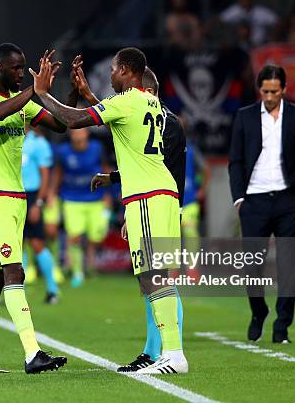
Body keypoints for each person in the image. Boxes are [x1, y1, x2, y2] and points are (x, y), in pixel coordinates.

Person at [31, 47, 188, 374]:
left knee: (152, 277)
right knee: (152, 277)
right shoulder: (154, 105)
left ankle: (173, 354)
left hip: (147, 196)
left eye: (114, 70)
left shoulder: (126, 101)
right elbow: (126, 135)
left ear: (128, 71)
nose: (111, 75)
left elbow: (73, 120)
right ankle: (168, 352)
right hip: (160, 192)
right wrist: (88, 94)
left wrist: (43, 93)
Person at [0, 44, 73, 375]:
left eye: (24, 68)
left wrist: (71, 94)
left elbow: (60, 125)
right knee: (14, 271)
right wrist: (32, 91)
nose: (21, 73)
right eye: (15, 68)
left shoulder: (22, 104)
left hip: (15, 196)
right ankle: (32, 353)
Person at [89, 67, 186, 372]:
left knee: (157, 277)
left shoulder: (165, 122)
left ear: (143, 89)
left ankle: (167, 351)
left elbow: (162, 168)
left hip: (158, 202)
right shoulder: (159, 117)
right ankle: (155, 349)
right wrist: (115, 178)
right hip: (156, 200)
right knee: (150, 279)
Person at [229, 65, 295, 344]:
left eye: (274, 91)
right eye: (265, 91)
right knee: (252, 266)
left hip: (288, 200)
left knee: (287, 265)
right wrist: (240, 199)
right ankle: (259, 312)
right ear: (260, 90)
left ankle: (282, 327)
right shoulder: (245, 117)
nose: (269, 96)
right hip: (254, 201)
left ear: (284, 89)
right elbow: (236, 161)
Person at [53, 127, 111, 288]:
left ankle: (91, 265)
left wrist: (109, 194)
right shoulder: (63, 151)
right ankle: (77, 271)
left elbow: (105, 169)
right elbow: (58, 173)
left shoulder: (97, 148)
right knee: (75, 236)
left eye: (81, 132)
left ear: (86, 133)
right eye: (75, 132)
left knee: (96, 236)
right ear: (70, 135)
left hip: (95, 198)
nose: (78, 135)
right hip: (72, 199)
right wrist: (52, 193)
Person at [21, 126, 60, 303]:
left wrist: (38, 202)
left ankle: (53, 289)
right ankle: (17, 292)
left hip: (31, 196)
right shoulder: (11, 138)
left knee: (36, 243)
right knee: (15, 245)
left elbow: (45, 174)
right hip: (12, 194)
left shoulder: (38, 143)